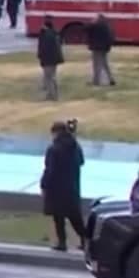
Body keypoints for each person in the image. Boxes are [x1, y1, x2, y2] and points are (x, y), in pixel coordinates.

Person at [41, 120, 86, 251]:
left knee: (58, 217)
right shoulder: (75, 147)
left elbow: (50, 170)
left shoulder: (53, 149)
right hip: (72, 186)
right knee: (75, 217)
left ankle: (62, 242)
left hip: (57, 188)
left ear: (55, 132)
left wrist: (44, 184)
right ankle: (86, 240)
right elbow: (81, 162)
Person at [36, 16, 64, 101]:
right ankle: (54, 94)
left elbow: (43, 48)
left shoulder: (46, 35)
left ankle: (52, 96)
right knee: (52, 77)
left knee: (48, 77)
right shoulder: (55, 33)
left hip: (48, 59)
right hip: (55, 58)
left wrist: (40, 57)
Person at [86, 14, 116, 86]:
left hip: (96, 48)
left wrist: (92, 22)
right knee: (105, 64)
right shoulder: (107, 26)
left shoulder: (95, 26)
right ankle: (111, 79)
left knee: (96, 65)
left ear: (98, 19)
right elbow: (111, 37)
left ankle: (96, 81)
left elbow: (85, 29)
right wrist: (108, 47)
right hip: (105, 48)